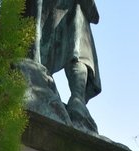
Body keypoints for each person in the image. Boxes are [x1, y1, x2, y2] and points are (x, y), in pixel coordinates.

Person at [24, 0, 101, 131]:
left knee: (79, 16)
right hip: (31, 26)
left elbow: (94, 16)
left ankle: (77, 100)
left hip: (57, 24)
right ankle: (78, 99)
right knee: (78, 17)